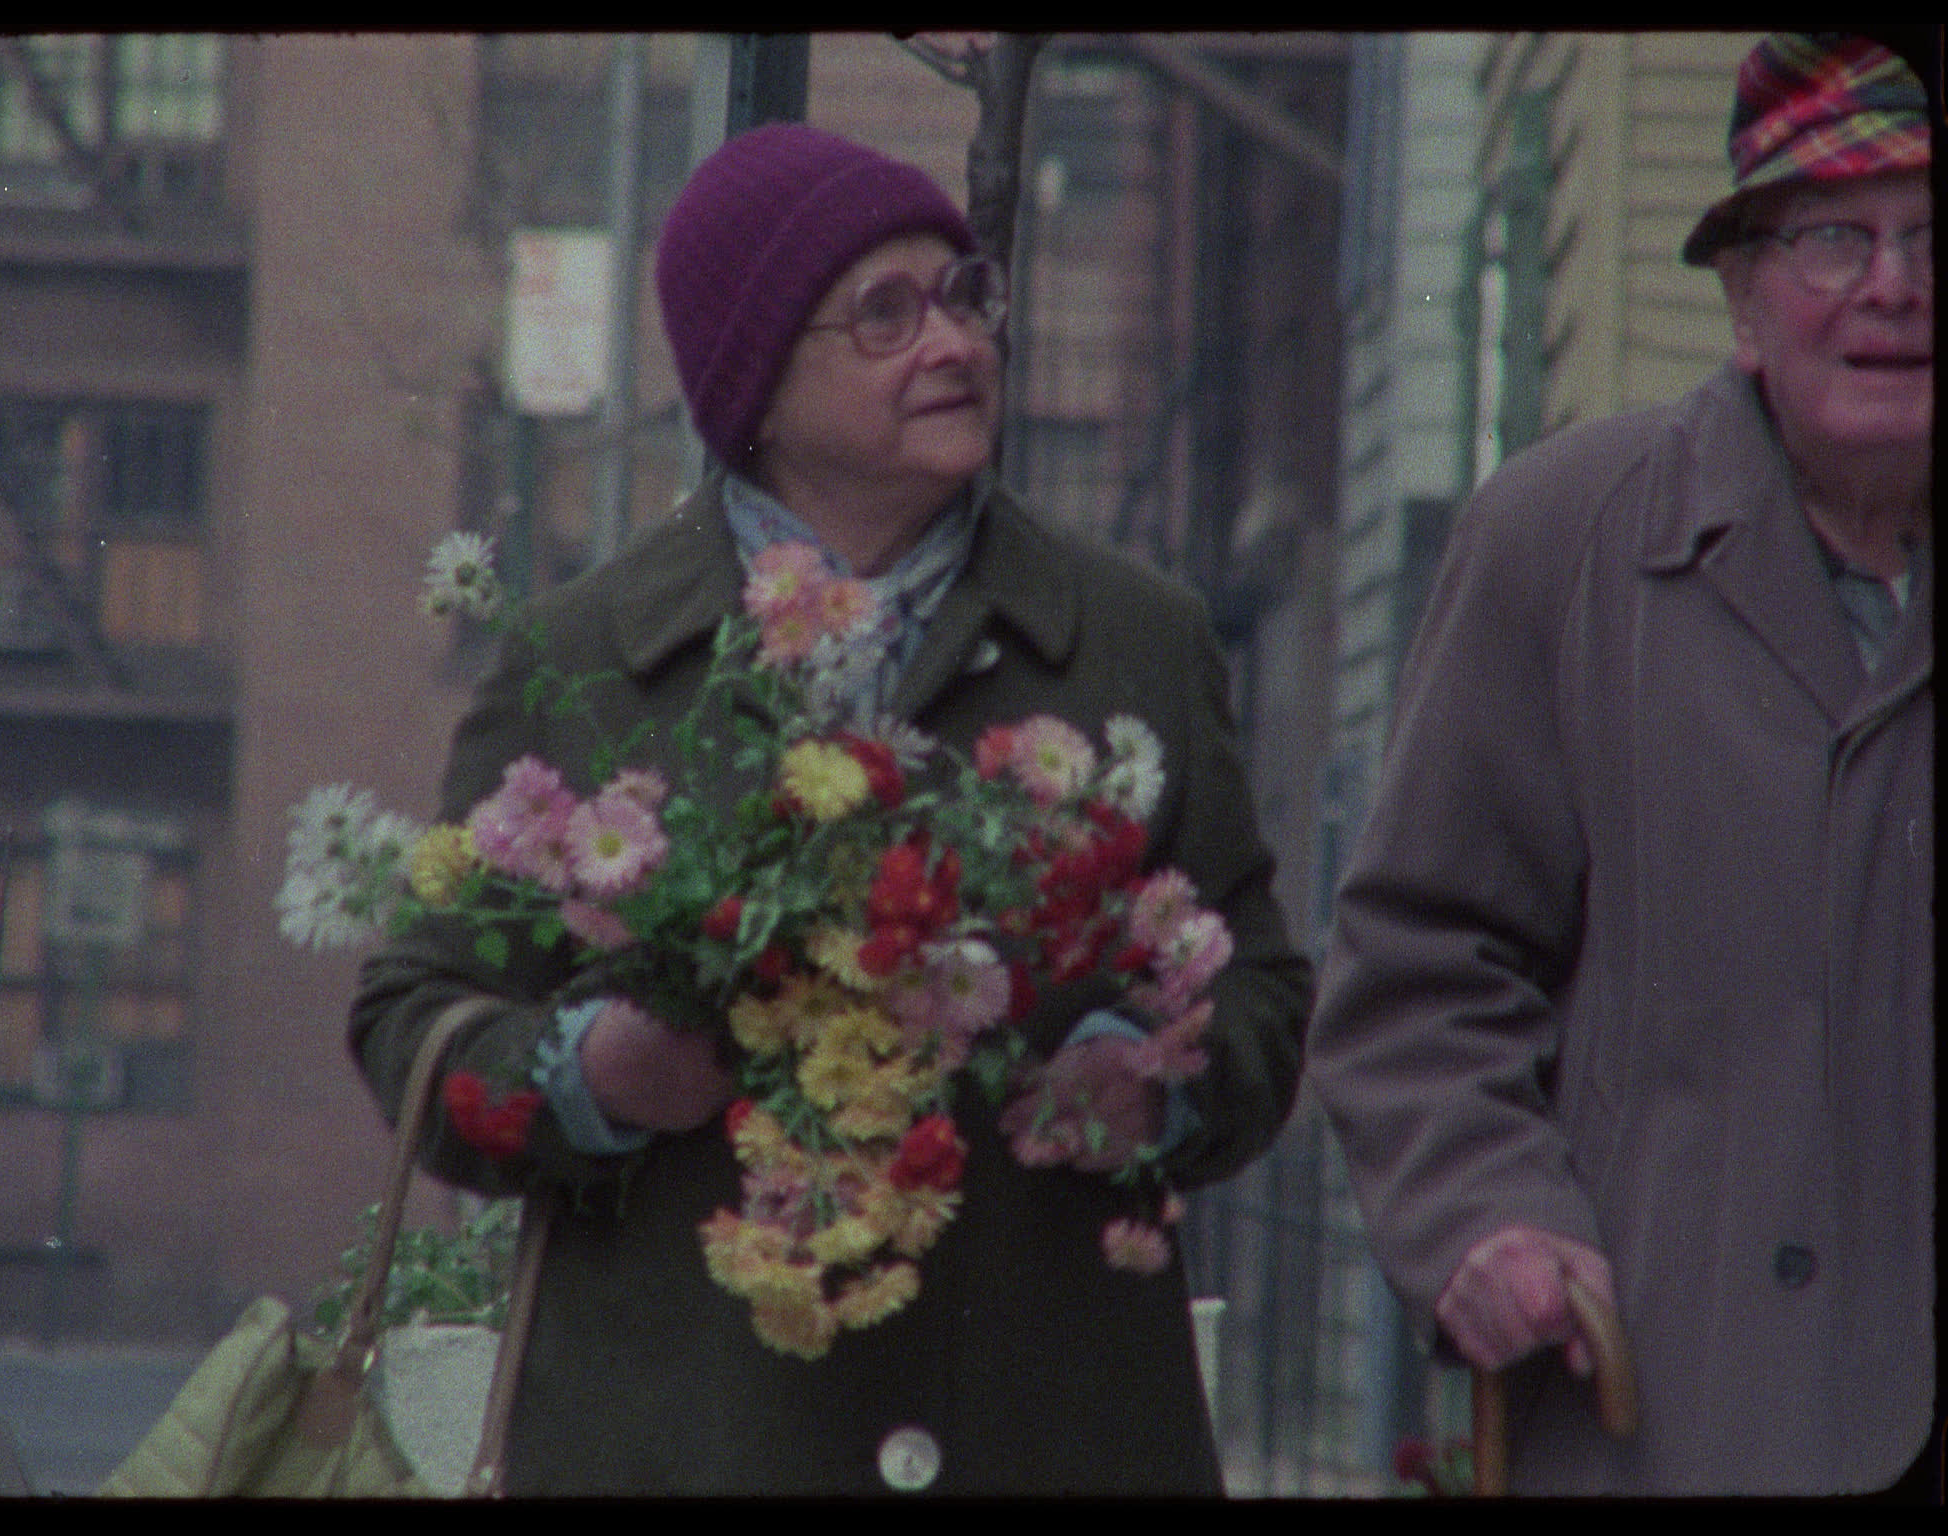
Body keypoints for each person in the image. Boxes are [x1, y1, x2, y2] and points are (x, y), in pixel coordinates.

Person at [349, 121, 1313, 1496]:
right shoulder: (588, 659)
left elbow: (1261, 991)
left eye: (965, 295)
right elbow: (412, 1024)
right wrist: (588, 1075)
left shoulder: (1135, 640)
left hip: (1047, 1434)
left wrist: (1155, 1088)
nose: (957, 343)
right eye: (885, 313)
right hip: (688, 1447)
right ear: (755, 377)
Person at [1304, 33, 1932, 1496]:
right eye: (1835, 238)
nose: (1895, 287)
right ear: (1743, 300)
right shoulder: (1566, 540)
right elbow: (1419, 971)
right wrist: (1485, 1214)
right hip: (1674, 1414)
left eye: (1930, 238)